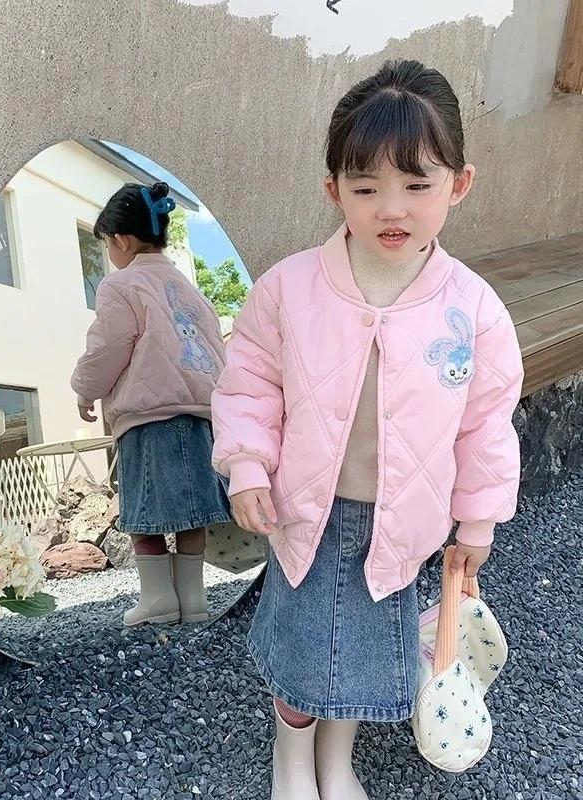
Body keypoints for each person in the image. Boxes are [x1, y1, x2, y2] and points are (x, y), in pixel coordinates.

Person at [211, 60, 524, 800]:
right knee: (303, 651)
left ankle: (336, 760)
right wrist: (248, 465)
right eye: (365, 187)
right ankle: (292, 758)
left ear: (459, 183)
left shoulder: (473, 309)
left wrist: (478, 518)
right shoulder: (289, 288)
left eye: (417, 184)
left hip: (401, 523)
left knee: (360, 657)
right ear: (333, 190)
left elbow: (486, 424)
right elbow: (250, 382)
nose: (392, 207)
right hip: (307, 514)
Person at [71, 181, 232, 628]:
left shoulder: (120, 285)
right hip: (200, 418)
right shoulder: (188, 288)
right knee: (191, 512)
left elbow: (107, 347)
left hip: (149, 418)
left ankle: (158, 598)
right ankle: (193, 599)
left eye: (107, 244)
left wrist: (85, 388)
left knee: (144, 513)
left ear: (122, 240)